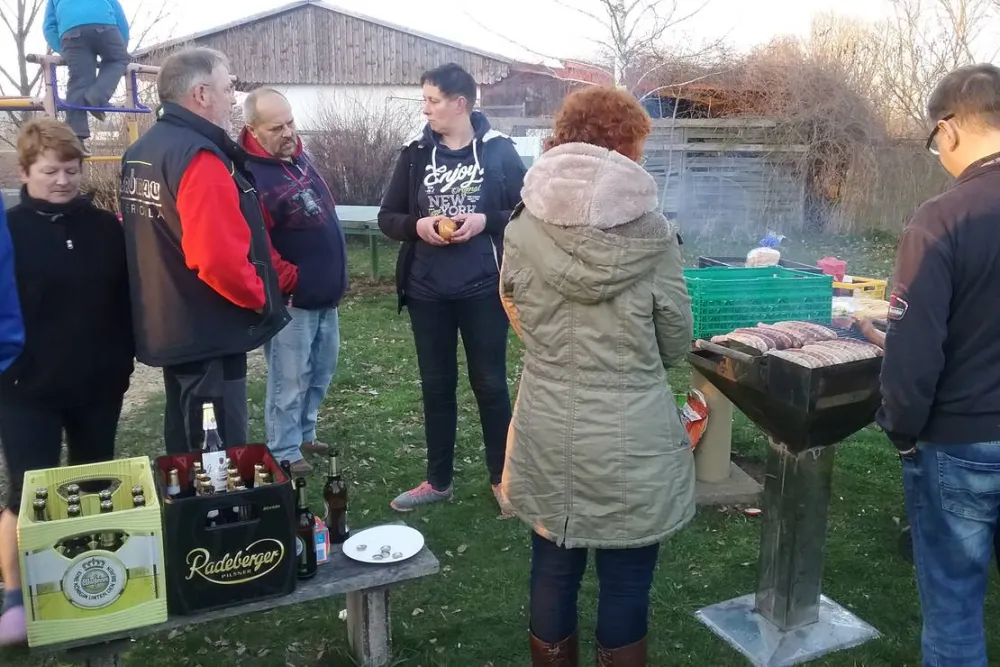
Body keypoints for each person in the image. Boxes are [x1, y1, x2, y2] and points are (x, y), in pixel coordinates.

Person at [499, 87, 696, 666]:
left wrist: (556, 352)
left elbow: (512, 306)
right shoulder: (652, 233)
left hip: (547, 421)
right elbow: (676, 339)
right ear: (625, 146)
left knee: (553, 569)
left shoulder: (522, 224)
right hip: (631, 430)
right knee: (627, 579)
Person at [876, 63, 1000, 667]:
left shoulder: (943, 217)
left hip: (962, 441)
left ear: (948, 131)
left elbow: (914, 351)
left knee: (954, 611)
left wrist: (901, 430)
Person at [0, 118, 133, 645]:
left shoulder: (106, 229)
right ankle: (15, 596)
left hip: (98, 383)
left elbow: (125, 301)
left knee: (93, 486)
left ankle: (89, 583)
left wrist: (121, 363)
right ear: (25, 170)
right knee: (27, 490)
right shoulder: (8, 230)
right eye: (50, 171)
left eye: (71, 170)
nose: (62, 181)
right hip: (25, 388)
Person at [119, 47, 289, 454]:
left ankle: (187, 514)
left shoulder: (140, 153)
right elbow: (217, 260)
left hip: (169, 326)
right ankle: (217, 518)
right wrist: (264, 298)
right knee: (219, 458)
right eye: (228, 87)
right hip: (208, 332)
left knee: (185, 448)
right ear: (200, 94)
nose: (233, 97)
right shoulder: (200, 158)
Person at [378, 62, 526, 513]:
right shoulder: (415, 153)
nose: (425, 110)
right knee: (436, 385)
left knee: (490, 384)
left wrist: (485, 221)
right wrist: (419, 225)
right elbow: (388, 218)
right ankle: (438, 480)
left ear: (460, 103)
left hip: (483, 288)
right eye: (424, 100)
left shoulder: (499, 152)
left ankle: (503, 480)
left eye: (432, 100)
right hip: (428, 291)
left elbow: (527, 210)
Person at [239, 87, 348, 475]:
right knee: (290, 378)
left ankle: (304, 433)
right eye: (276, 127)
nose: (288, 133)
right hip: (292, 299)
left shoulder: (299, 159)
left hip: (325, 294)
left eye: (290, 123)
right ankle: (283, 449)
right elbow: (258, 244)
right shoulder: (251, 175)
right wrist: (292, 281)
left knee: (320, 370)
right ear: (252, 128)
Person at [43, 0, 130, 150]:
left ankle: (75, 139)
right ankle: (97, 97)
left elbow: (49, 27)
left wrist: (63, 50)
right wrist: (122, 45)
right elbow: (120, 17)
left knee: (79, 80)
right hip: (105, 26)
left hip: (71, 33)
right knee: (117, 59)